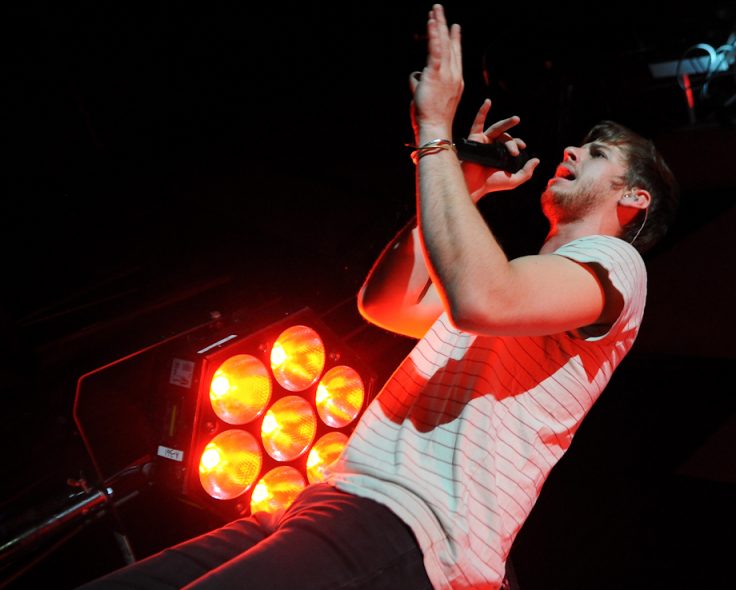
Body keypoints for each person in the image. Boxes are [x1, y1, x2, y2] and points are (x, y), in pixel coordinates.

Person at [75, 4, 678, 590]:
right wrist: (462, 186)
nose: (571, 151)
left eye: (597, 154)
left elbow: (482, 296)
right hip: (334, 500)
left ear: (636, 199)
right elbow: (388, 304)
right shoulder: (525, 296)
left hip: (410, 526)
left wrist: (435, 134)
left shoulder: (618, 266)